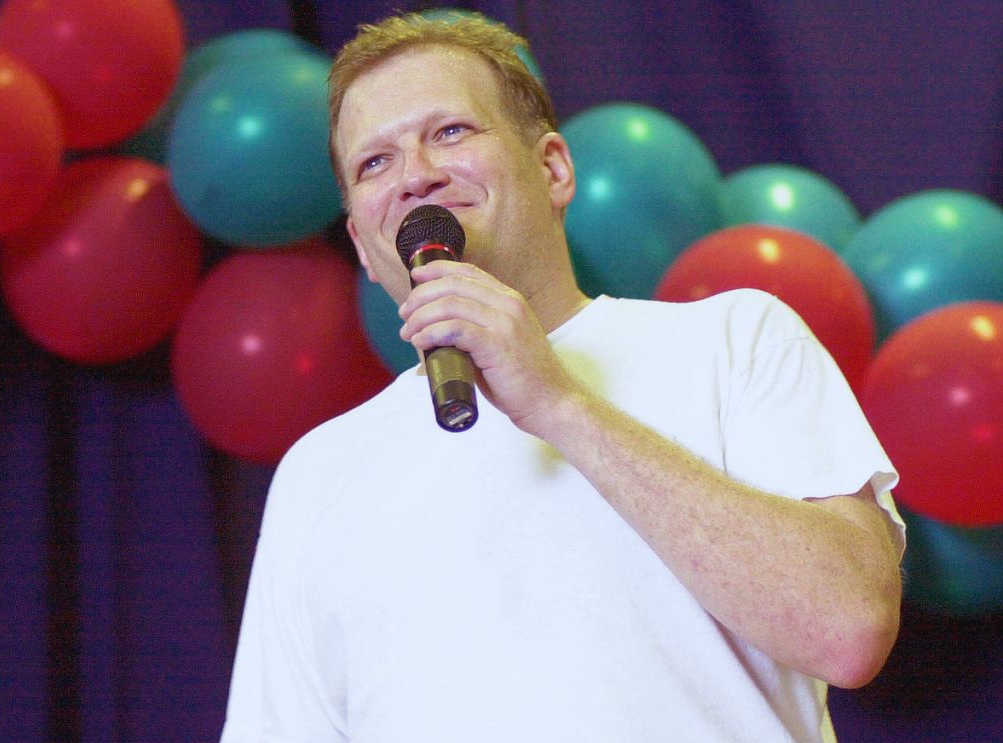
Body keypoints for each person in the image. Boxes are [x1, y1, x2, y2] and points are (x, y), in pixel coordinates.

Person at [220, 12, 904, 743]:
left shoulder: (732, 339)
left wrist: (557, 401)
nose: (415, 174)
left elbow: (846, 629)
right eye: (374, 163)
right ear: (361, 239)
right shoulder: (320, 472)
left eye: (449, 131)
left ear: (552, 168)